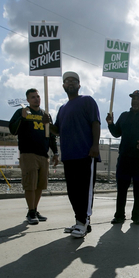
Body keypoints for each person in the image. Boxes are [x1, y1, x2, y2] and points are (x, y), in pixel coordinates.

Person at [48, 71, 101, 238]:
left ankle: (82, 222)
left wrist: (95, 145)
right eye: (67, 81)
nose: (70, 83)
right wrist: (47, 124)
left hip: (85, 154)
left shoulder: (87, 101)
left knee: (85, 191)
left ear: (79, 85)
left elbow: (95, 123)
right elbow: (56, 130)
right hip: (69, 156)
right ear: (63, 86)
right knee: (73, 192)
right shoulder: (62, 108)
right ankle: (81, 221)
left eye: (73, 81)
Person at [106, 90, 139, 225]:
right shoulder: (124, 116)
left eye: (138, 99)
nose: (135, 101)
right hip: (124, 159)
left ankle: (137, 215)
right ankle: (119, 215)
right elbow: (116, 133)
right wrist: (111, 124)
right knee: (121, 188)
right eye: (133, 98)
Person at [9, 88, 59, 225]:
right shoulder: (22, 112)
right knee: (30, 184)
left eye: (38, 96)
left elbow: (51, 136)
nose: (36, 99)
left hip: (43, 154)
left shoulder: (45, 114)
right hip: (28, 153)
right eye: (33, 97)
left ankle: (34, 210)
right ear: (28, 100)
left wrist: (55, 153)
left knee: (40, 185)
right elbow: (13, 130)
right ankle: (31, 212)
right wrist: (22, 118)